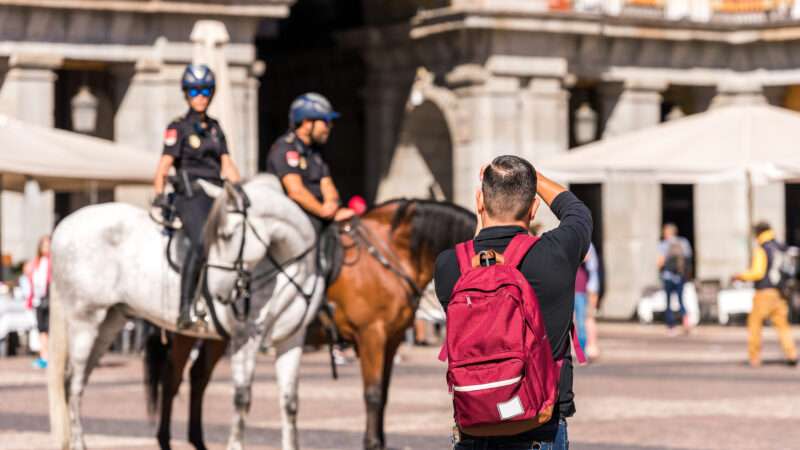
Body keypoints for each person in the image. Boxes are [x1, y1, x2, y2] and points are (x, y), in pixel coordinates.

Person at [435, 155, 592, 450]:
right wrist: (534, 176)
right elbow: (577, 212)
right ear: (534, 207)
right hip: (539, 427)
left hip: (474, 428)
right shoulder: (557, 253)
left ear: (479, 201)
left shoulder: (449, 265)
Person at [152, 64, 241, 329]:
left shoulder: (215, 128)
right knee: (201, 240)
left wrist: (244, 189)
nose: (200, 96)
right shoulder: (178, 128)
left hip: (217, 193)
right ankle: (185, 307)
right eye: (194, 90)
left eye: (205, 90)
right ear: (186, 94)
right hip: (190, 194)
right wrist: (159, 195)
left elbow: (227, 164)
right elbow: (163, 168)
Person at [265, 93, 354, 235]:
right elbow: (296, 192)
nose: (329, 126)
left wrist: (332, 204)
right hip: (295, 222)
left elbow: (327, 184)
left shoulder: (315, 152)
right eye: (325, 121)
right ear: (307, 123)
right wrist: (323, 211)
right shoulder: (285, 148)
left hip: (320, 216)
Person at [732, 221, 798, 368]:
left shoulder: (762, 249)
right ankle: (792, 353)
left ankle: (754, 357)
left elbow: (758, 272)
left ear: (758, 233)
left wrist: (740, 276)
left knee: (754, 323)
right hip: (780, 293)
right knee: (782, 326)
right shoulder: (781, 247)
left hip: (764, 292)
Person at [656, 223, 693, 336]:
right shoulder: (683, 242)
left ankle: (671, 327)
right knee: (681, 300)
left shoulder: (664, 244)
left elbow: (660, 262)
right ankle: (686, 320)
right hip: (680, 276)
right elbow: (688, 257)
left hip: (668, 276)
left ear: (666, 233)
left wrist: (660, 269)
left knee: (668, 302)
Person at [23, 236, 51, 369]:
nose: (46, 248)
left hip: (50, 300)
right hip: (38, 301)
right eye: (44, 245)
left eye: (48, 245)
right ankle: (43, 356)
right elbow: (30, 281)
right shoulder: (36, 263)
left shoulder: (53, 263)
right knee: (42, 330)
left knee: (51, 329)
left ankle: (52, 357)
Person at [583, 243, 602, 359]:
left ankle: (592, 347)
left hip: (590, 287)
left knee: (588, 317)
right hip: (592, 285)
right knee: (589, 318)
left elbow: (586, 259)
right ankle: (592, 346)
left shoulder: (587, 245)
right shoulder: (590, 245)